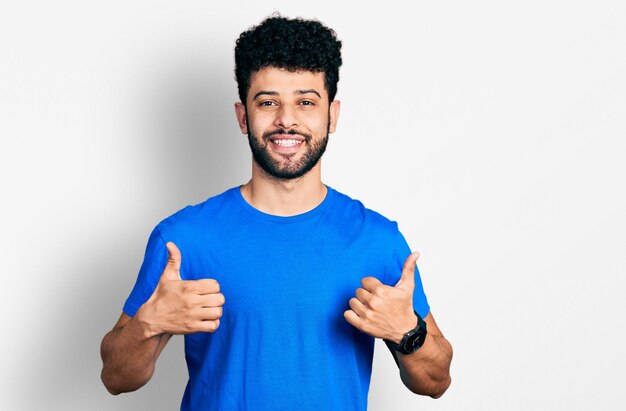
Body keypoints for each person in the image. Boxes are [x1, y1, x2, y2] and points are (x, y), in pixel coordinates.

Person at [100, 15, 453, 410]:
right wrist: (149, 323)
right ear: (242, 116)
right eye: (268, 102)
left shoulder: (377, 240)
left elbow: (436, 382)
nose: (287, 120)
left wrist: (408, 332)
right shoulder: (184, 238)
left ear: (332, 115)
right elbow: (116, 378)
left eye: (306, 102)